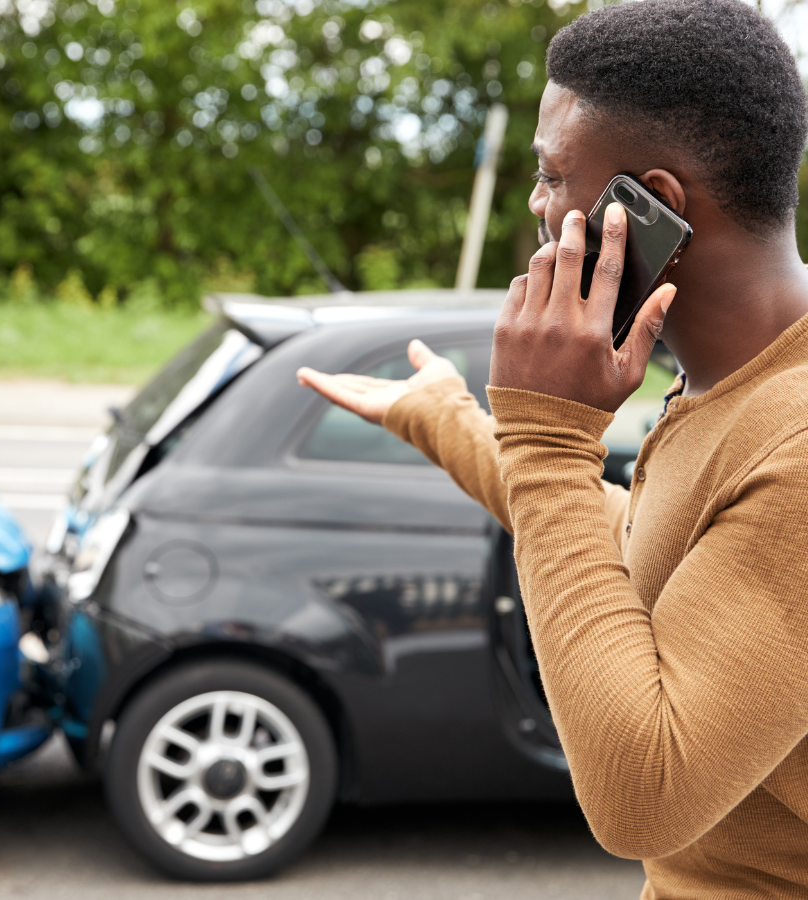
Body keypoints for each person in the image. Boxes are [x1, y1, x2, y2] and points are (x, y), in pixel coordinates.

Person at [297, 1, 808, 896]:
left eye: (552, 175)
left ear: (650, 208)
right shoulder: (740, 386)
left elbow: (642, 798)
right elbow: (651, 540)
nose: (538, 205)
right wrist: (449, 420)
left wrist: (546, 435)